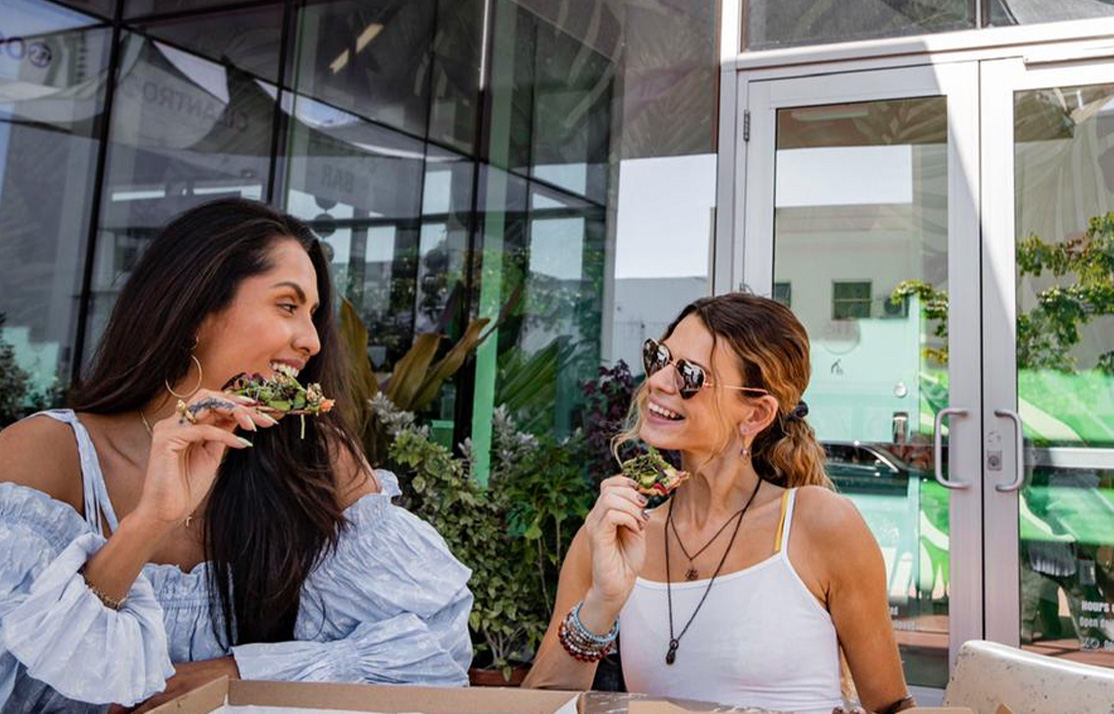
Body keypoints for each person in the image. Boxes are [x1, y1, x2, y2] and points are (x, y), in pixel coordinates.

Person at [0, 198, 473, 713]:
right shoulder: (46, 457)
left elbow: (434, 652)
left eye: (313, 315)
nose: (312, 341)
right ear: (198, 309)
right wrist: (149, 522)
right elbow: (22, 676)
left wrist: (234, 674)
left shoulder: (314, 461)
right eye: (287, 306)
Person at [523, 293, 915, 714]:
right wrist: (601, 604)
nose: (657, 381)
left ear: (756, 415)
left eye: (689, 374)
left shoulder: (819, 524)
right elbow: (540, 708)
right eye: (659, 358)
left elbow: (890, 707)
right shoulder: (615, 533)